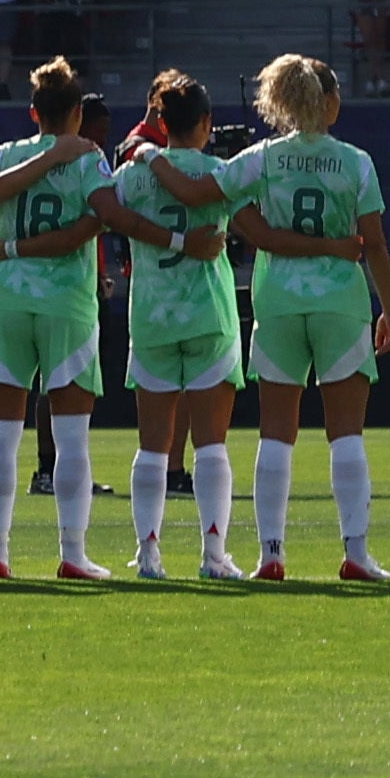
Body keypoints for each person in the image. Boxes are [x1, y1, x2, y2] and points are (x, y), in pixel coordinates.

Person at [143, 51, 390, 582]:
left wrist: (150, 157)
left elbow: (199, 196)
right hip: (340, 305)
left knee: (276, 434)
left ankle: (271, 555)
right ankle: (355, 552)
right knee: (345, 433)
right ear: (329, 102)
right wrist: (388, 308)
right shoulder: (356, 161)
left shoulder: (262, 157)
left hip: (278, 300)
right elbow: (372, 243)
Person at [0, 55, 122, 581]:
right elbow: (107, 215)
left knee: (0, 435)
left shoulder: (5, 155)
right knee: (71, 438)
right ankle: (71, 554)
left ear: (33, 112)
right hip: (66, 306)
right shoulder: (88, 159)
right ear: (75, 114)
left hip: (5, 303)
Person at [110, 67, 250, 577]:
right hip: (208, 314)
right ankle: (214, 555)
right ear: (207, 122)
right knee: (210, 444)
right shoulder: (221, 172)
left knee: (152, 446)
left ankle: (148, 553)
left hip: (151, 315)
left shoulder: (132, 174)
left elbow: (105, 207)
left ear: (160, 121)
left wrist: (141, 146)